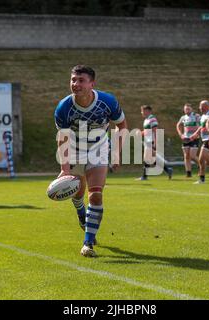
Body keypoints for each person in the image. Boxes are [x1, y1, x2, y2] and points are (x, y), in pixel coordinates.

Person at [54, 65, 128, 258]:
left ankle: (88, 243)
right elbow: (62, 138)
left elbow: (122, 125)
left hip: (99, 149)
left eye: (81, 80)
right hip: (75, 151)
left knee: (95, 195)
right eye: (73, 80)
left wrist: (117, 154)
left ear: (92, 83)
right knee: (78, 194)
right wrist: (64, 169)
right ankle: (80, 211)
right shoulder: (64, 107)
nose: (76, 84)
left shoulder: (107, 101)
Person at [137, 105, 173, 180]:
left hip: (151, 141)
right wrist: (141, 133)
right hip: (147, 141)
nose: (141, 112)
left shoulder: (152, 119)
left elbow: (155, 131)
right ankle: (168, 170)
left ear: (147, 111)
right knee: (151, 159)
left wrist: (156, 143)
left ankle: (144, 176)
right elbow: (148, 131)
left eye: (142, 111)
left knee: (147, 158)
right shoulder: (146, 120)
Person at [190, 100, 209, 184]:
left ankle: (202, 179)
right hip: (204, 139)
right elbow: (201, 127)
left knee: (201, 159)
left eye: (202, 106)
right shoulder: (203, 116)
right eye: (200, 106)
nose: (200, 107)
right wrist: (195, 134)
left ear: (207, 106)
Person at [176, 104, 200, 178]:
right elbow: (178, 125)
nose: (187, 110)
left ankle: (201, 165)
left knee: (192, 156)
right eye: (186, 109)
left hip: (194, 138)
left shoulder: (196, 116)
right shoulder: (183, 117)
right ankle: (188, 173)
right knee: (186, 156)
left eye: (188, 109)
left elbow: (202, 125)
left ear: (191, 109)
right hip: (186, 138)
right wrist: (181, 135)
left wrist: (196, 134)